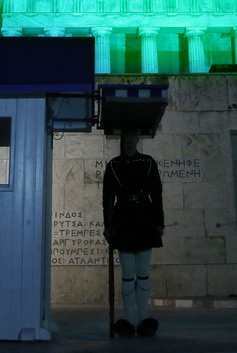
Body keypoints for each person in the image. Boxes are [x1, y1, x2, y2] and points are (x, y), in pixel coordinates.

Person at [102, 129, 164, 337]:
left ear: (137, 138)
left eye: (132, 135)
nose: (129, 139)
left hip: (144, 218)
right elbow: (108, 199)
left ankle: (143, 319)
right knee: (128, 274)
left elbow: (156, 194)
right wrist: (108, 224)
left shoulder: (147, 163)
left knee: (143, 273)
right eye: (126, 136)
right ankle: (129, 321)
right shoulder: (113, 165)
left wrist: (159, 222)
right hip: (124, 219)